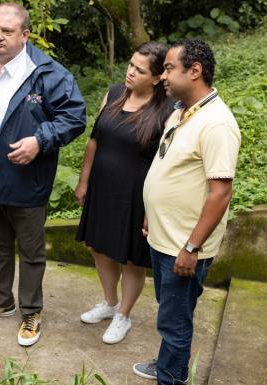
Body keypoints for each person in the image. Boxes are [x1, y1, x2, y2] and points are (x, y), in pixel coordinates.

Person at [0, 2, 87, 347]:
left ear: (25, 34)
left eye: (7, 31)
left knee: (30, 250)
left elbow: (74, 117)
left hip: (27, 177)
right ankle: (0, 300)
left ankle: (31, 310)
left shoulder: (47, 73)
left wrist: (40, 140)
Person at [132, 39, 241, 384]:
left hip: (183, 246)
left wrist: (191, 247)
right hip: (164, 237)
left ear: (194, 71)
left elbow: (220, 193)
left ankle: (171, 377)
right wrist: (151, 209)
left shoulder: (217, 124)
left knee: (175, 323)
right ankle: (168, 362)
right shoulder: (181, 111)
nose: (162, 76)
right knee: (170, 314)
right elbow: (169, 165)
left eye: (168, 68)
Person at [75, 41, 173, 344]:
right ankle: (109, 302)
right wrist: (84, 180)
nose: (130, 72)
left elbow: (166, 160)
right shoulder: (115, 93)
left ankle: (124, 315)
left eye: (139, 70)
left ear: (157, 77)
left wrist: (154, 205)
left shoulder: (167, 110)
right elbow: (95, 141)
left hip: (136, 193)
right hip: (102, 186)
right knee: (98, 246)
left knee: (132, 257)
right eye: (130, 65)